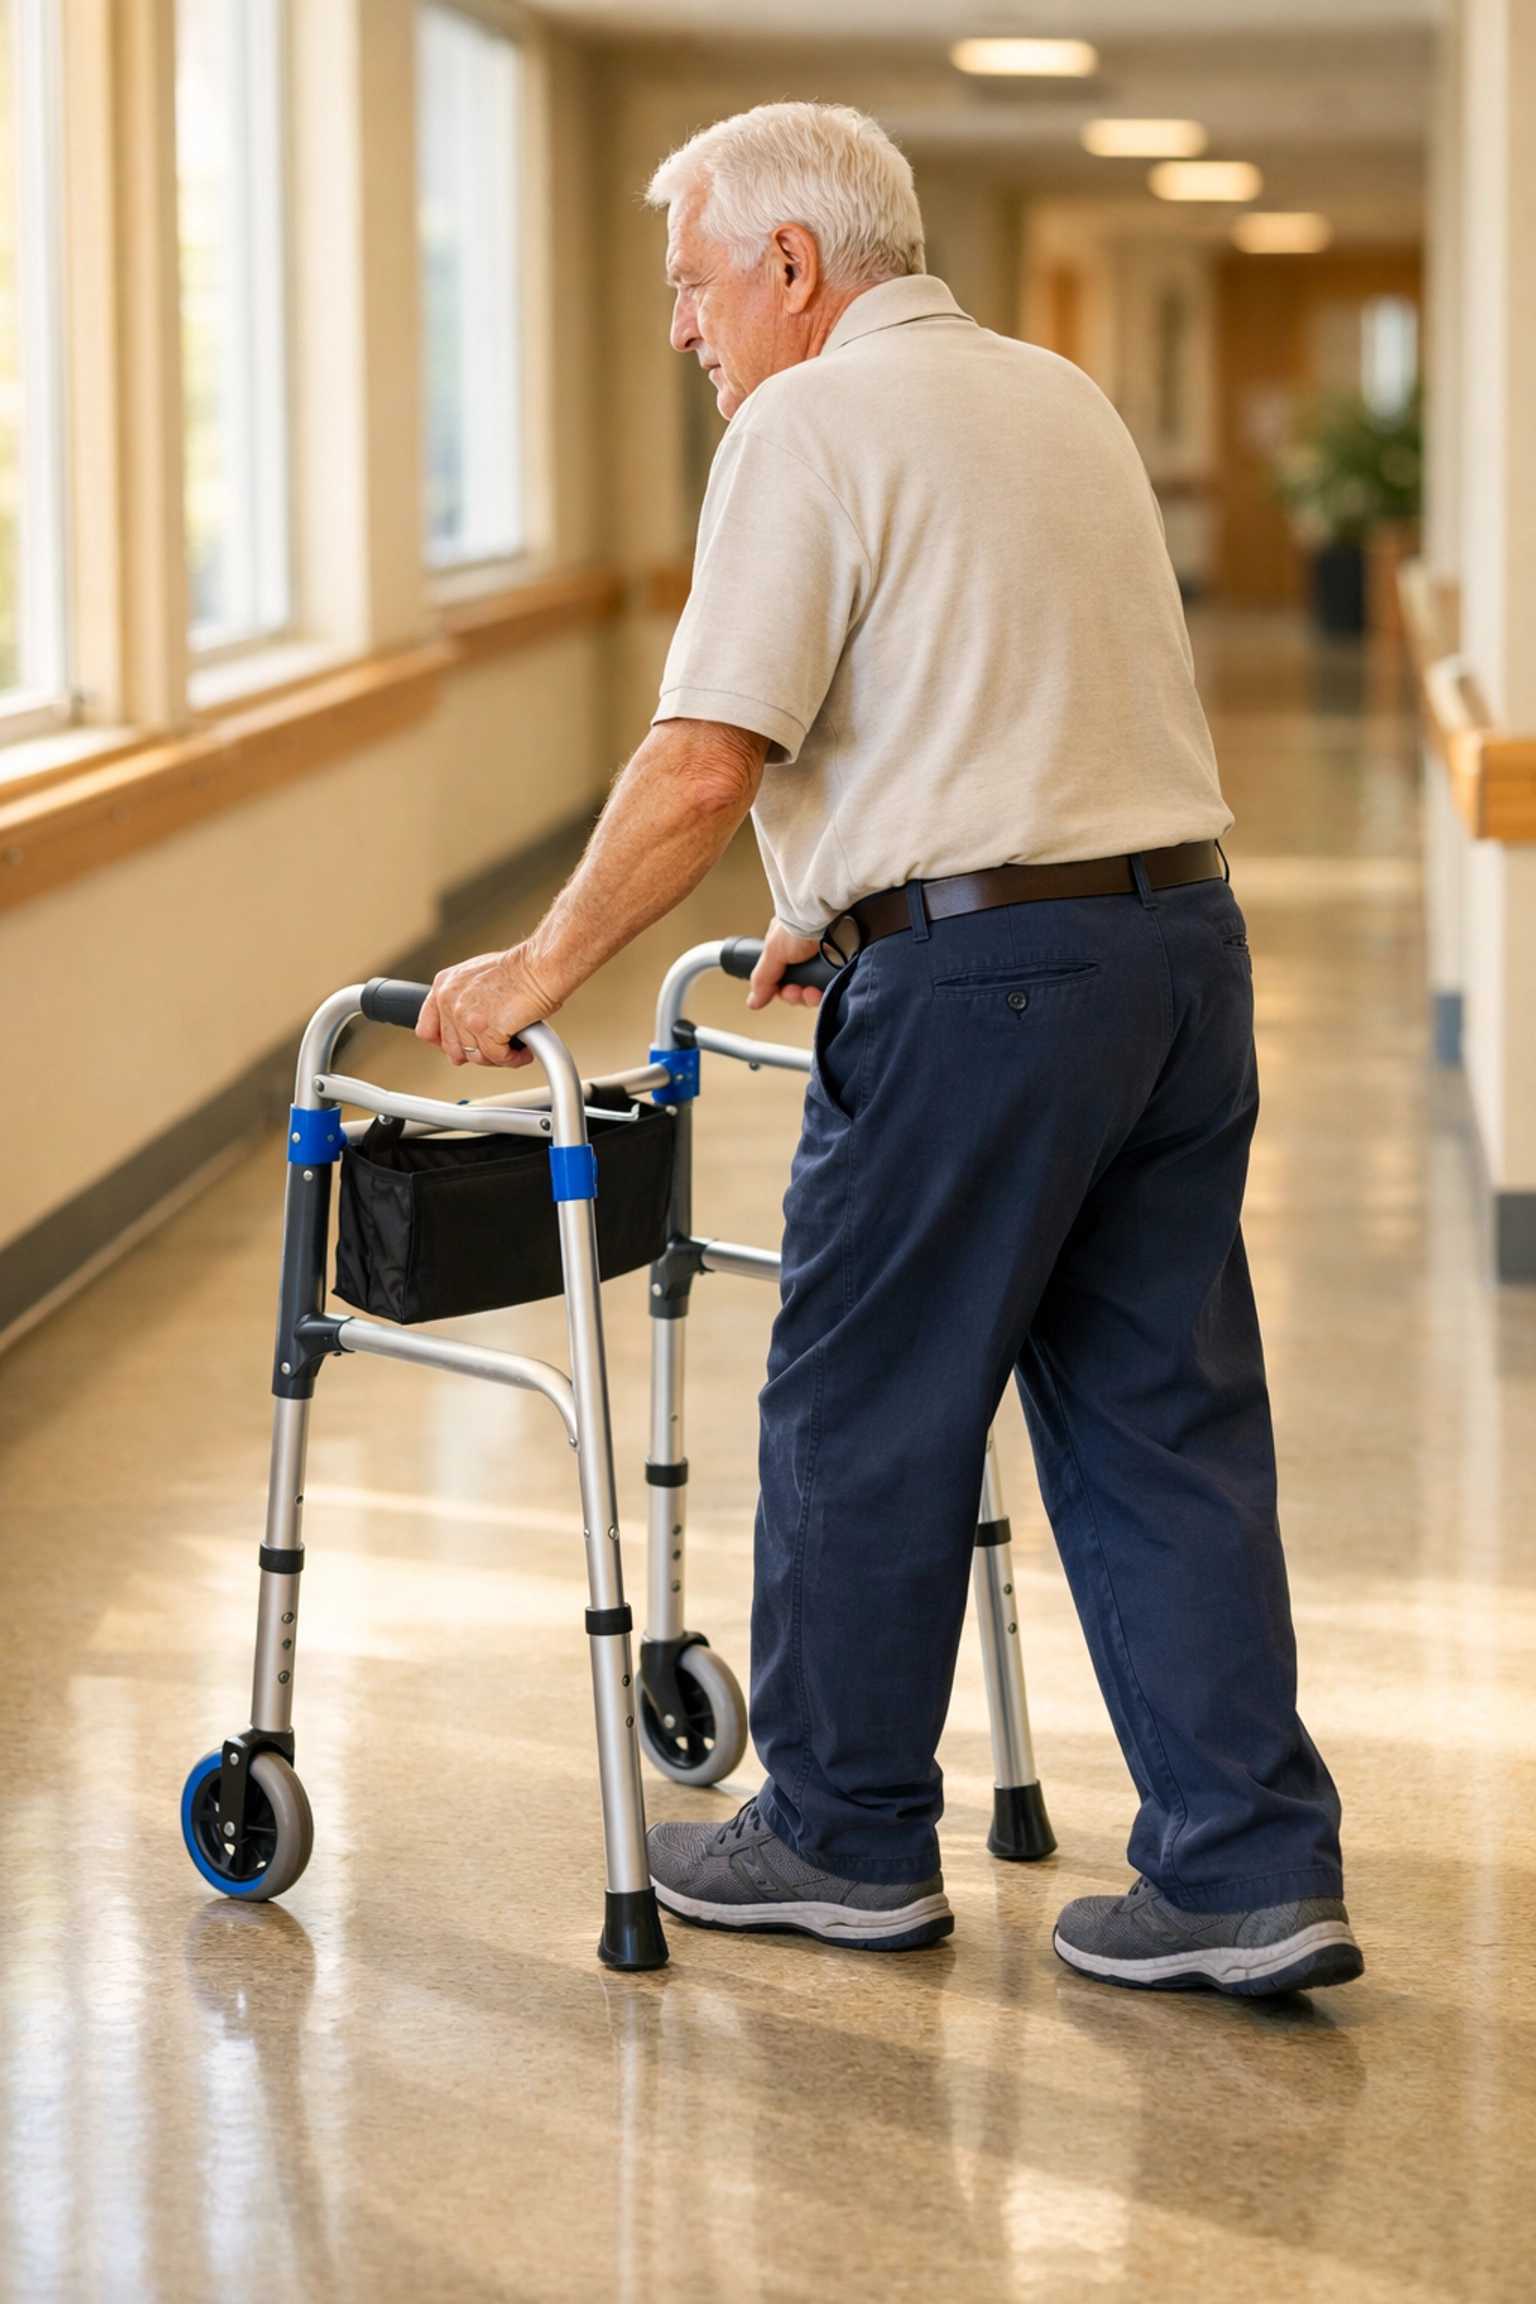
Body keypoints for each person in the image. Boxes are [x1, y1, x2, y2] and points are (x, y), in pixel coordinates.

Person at [418, 102, 1362, 1997]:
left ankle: (839, 1835)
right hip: (1174, 954)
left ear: (791, 265)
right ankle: (1248, 1868)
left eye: (694, 286)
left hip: (988, 1002)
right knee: (1163, 1419)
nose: (685, 329)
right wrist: (836, 905)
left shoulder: (806, 420)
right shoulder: (1057, 394)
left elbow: (703, 756)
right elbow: (1010, 683)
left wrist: (540, 964)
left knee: (865, 1403)